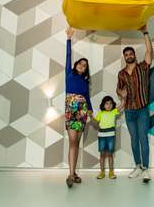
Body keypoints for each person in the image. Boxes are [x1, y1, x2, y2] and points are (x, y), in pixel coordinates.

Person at [116, 25, 154, 183]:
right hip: (129, 111)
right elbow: (118, 89)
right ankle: (137, 166)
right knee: (134, 140)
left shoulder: (143, 67)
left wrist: (145, 32)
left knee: (143, 139)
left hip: (142, 110)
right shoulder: (121, 73)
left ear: (134, 55)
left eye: (131, 54)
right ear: (124, 57)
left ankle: (145, 169)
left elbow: (149, 51)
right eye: (126, 55)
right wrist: (121, 93)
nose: (129, 56)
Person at [64, 26, 92, 188]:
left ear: (86, 69)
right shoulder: (69, 74)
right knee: (72, 141)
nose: (82, 66)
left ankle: (73, 173)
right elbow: (68, 56)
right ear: (75, 65)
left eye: (85, 65)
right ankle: (70, 174)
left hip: (82, 112)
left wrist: (91, 111)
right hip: (71, 111)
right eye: (80, 63)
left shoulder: (85, 82)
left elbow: (87, 97)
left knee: (76, 142)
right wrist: (68, 39)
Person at [93, 95, 124, 180]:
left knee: (110, 154)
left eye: (110, 103)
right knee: (102, 155)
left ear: (112, 104)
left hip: (111, 136)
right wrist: (91, 116)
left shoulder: (114, 111)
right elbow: (95, 122)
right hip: (101, 136)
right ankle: (102, 172)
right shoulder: (100, 113)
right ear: (103, 105)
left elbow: (122, 105)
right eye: (106, 103)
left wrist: (123, 97)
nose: (109, 105)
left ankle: (111, 172)